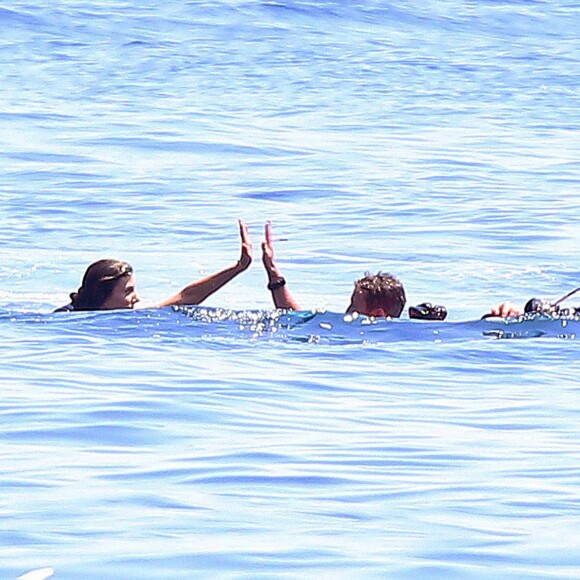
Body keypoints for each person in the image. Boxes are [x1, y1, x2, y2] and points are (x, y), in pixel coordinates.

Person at [55, 220, 253, 312]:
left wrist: (238, 268)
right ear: (103, 297)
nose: (137, 298)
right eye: (128, 291)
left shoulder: (123, 314)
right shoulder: (67, 318)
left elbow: (186, 297)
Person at [261, 222, 407, 318]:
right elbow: (297, 317)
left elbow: (298, 321)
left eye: (353, 306)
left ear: (377, 315)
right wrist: (274, 274)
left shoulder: (357, 336)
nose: (347, 311)